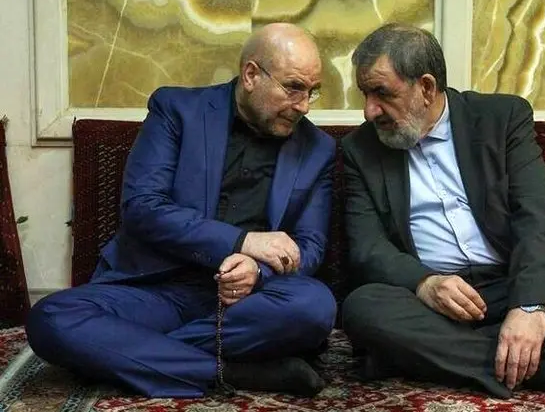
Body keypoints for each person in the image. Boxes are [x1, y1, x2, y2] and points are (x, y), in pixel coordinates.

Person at [26, 23, 337, 398]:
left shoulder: (317, 147)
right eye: (293, 88)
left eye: (312, 91)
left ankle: (128, 352)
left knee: (314, 307)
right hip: (156, 291)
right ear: (251, 75)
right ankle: (232, 371)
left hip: (247, 303)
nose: (303, 105)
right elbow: (142, 207)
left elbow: (310, 245)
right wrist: (241, 242)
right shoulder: (177, 110)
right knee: (51, 319)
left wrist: (258, 270)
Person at [341, 23, 545, 399]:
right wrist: (425, 283)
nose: (369, 111)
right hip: (436, 303)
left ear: (426, 88)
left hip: (513, 279)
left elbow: (537, 215)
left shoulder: (501, 117)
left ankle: (418, 357)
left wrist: (529, 307)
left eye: (381, 93)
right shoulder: (360, 149)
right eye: (365, 94)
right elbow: (368, 247)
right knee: (363, 309)